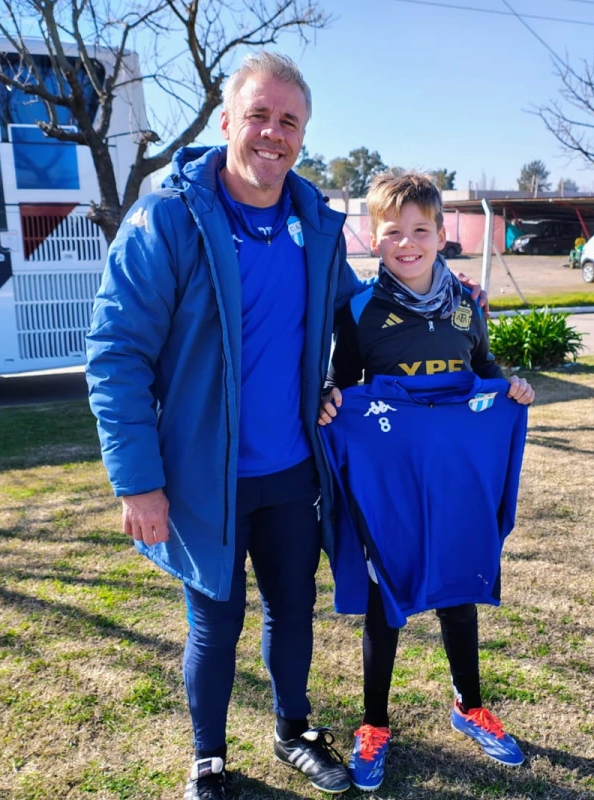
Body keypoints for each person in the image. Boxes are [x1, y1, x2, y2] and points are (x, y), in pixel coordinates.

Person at [86, 55, 485, 800]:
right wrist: (137, 481)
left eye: (289, 122)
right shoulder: (168, 218)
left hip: (293, 470)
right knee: (216, 623)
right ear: (228, 122)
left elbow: (360, 309)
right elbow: (116, 356)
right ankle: (208, 757)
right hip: (202, 476)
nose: (273, 133)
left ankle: (294, 729)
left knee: (291, 611)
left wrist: (445, 291)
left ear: (302, 136)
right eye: (260, 116)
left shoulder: (314, 224)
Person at [317, 171, 535, 792]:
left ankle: (469, 707)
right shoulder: (357, 310)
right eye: (393, 232)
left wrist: (510, 387)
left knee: (458, 589)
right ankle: (374, 724)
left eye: (420, 230)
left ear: (442, 234)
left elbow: (484, 371)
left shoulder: (466, 306)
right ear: (374, 238)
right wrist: (333, 398)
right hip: (393, 486)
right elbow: (344, 383)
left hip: (455, 481)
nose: (406, 243)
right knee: (388, 602)